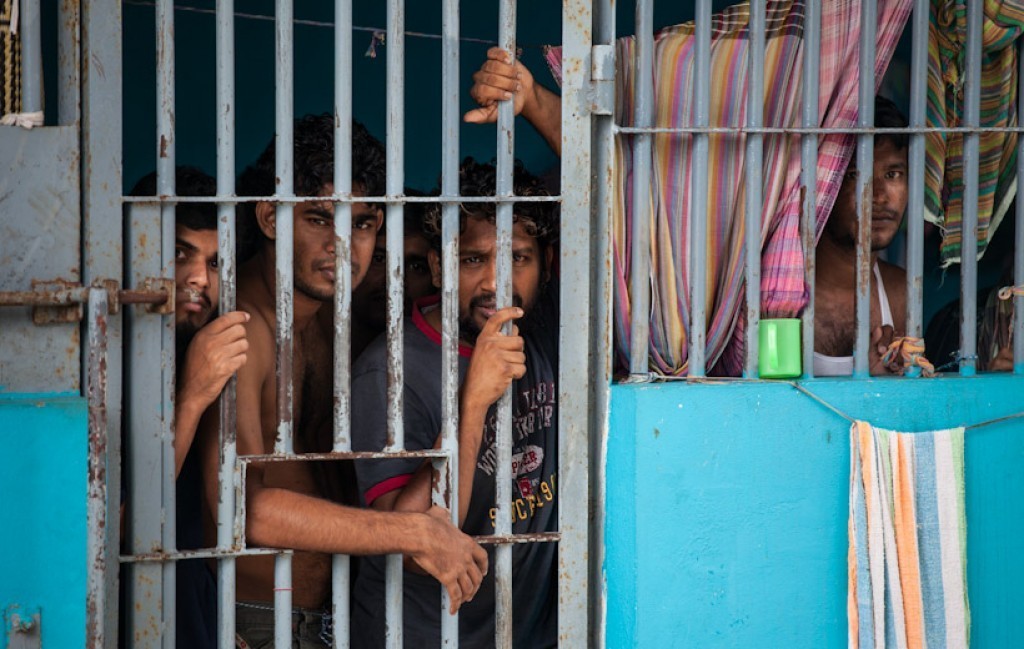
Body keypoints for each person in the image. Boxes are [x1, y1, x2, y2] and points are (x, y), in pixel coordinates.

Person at [197, 115, 488, 647]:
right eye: (318, 219)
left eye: (361, 224)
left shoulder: (331, 319)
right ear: (267, 216)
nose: (344, 244)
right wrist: (414, 530)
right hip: (256, 624)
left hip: (331, 618)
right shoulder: (244, 333)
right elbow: (240, 507)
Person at [350, 158, 560, 647]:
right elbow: (411, 540)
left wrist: (528, 100)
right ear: (441, 265)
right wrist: (474, 403)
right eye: (473, 260)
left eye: (518, 258)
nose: (495, 282)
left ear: (545, 265)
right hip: (424, 636)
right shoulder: (388, 371)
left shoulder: (548, 329)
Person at [127, 166, 249, 649]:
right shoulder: (101, 360)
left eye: (217, 263)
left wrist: (212, 612)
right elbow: (117, 529)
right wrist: (194, 395)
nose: (200, 277)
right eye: (180, 253)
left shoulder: (194, 349)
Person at [812, 96, 909, 376]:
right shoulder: (783, 293)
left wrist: (883, 383)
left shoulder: (899, 291)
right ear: (825, 183)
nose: (878, 196)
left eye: (892, 174)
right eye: (855, 175)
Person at [347, 189, 437, 360]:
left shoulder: (444, 366)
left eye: (417, 267)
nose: (395, 282)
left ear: (438, 274)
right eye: (379, 259)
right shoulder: (312, 336)